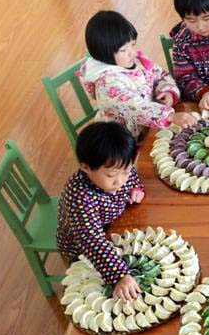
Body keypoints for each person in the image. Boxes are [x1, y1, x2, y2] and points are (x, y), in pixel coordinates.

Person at [57, 122, 146, 301]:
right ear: (86, 168)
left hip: (112, 226)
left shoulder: (119, 169)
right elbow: (92, 240)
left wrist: (136, 188)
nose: (120, 181)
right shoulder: (79, 196)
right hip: (82, 247)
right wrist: (119, 276)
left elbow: (131, 175)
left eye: (126, 171)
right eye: (111, 176)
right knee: (93, 290)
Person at [80, 11, 196, 139]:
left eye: (133, 44)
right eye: (123, 50)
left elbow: (161, 75)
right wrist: (169, 116)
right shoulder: (106, 84)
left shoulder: (135, 61)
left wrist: (168, 91)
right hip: (123, 139)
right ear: (104, 54)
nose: (132, 53)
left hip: (149, 126)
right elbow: (136, 107)